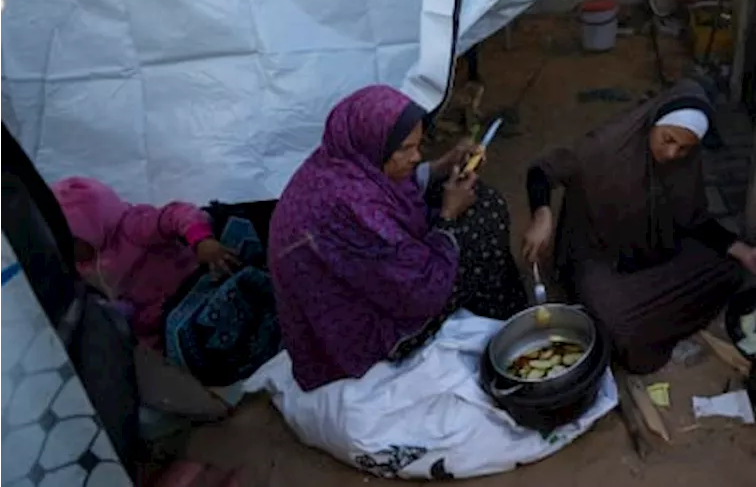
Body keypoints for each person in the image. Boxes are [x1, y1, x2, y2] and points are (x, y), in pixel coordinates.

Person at [269, 84, 526, 391]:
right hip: (357, 334)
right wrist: (447, 217)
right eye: (405, 149)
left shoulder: (342, 161)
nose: (417, 156)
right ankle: (501, 320)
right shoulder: (354, 209)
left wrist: (444, 164)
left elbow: (393, 190)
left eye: (418, 145)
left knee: (475, 199)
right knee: (483, 219)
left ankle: (492, 308)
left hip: (368, 279)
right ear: (376, 146)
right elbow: (420, 290)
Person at [522, 80, 756, 374]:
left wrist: (743, 251)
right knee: (616, 324)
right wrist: (541, 212)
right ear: (653, 124)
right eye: (667, 140)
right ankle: (646, 318)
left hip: (657, 249)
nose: (672, 154)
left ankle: (649, 316)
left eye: (684, 148)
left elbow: (694, 219)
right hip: (600, 256)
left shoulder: (685, 162)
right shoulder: (604, 146)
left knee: (731, 269)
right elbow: (541, 171)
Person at [52, 176, 279, 386]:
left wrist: (201, 240)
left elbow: (178, 214)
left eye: (71, 240)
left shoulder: (133, 228)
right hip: (159, 323)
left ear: (91, 225)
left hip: (193, 286)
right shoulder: (83, 267)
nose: (64, 248)